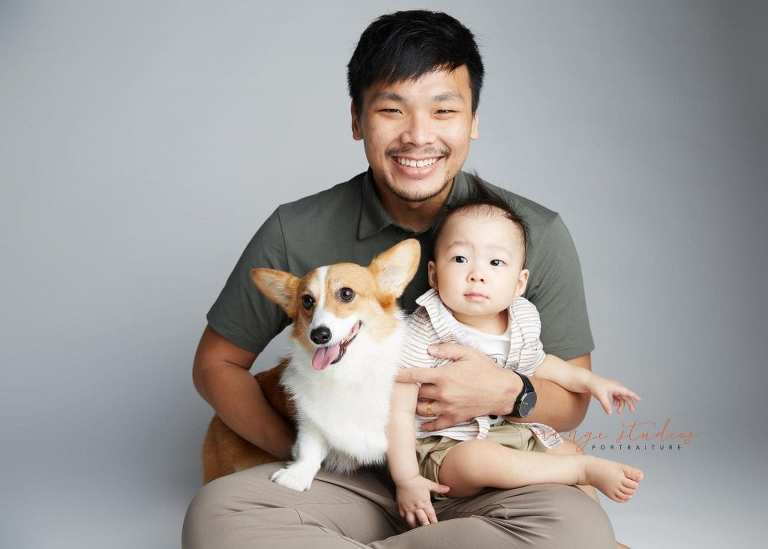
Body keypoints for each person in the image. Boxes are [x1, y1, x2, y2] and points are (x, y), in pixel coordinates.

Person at [183, 9, 622, 549]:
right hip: (349, 483)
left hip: (475, 470)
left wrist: (511, 392)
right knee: (219, 515)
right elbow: (216, 364)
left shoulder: (532, 232)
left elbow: (570, 399)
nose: (418, 136)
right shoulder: (296, 229)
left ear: (473, 121)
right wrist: (309, 450)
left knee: (574, 526)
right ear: (356, 119)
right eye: (392, 109)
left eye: (444, 110)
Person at [388, 185, 644, 531]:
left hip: (507, 433)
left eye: (496, 262)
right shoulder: (426, 326)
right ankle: (579, 471)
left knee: (568, 450)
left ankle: (597, 534)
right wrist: (406, 480)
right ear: (434, 274)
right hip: (445, 449)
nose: (477, 273)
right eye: (460, 259)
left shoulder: (520, 319)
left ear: (519, 282)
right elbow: (398, 410)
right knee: (480, 459)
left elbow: (540, 364)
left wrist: (592, 382)